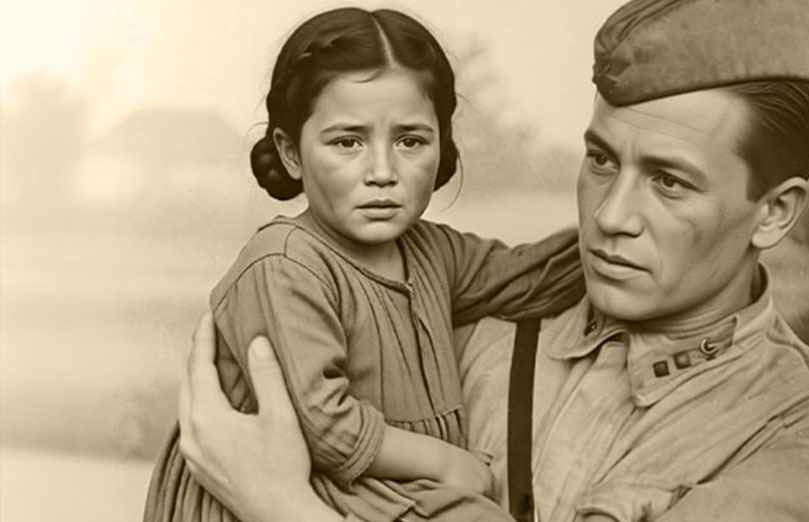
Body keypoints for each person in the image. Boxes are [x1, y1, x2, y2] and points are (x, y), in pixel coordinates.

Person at [174, 0, 809, 521]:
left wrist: (280, 505)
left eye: (669, 182)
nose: (610, 217)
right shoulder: (463, 341)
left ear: (774, 212)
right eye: (600, 160)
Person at [144, 7, 584, 522]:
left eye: (410, 141)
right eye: (347, 142)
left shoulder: (431, 252)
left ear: (442, 146)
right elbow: (325, 425)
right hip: (308, 485)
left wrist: (624, 227)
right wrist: (447, 463)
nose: (382, 171)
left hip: (384, 488)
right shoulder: (285, 263)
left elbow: (530, 276)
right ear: (291, 153)